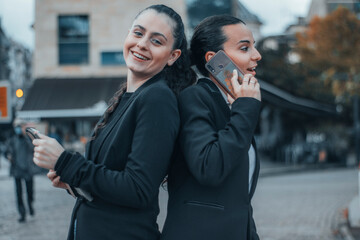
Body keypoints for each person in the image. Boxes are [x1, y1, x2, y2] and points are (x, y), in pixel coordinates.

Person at [32, 4, 194, 240]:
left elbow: (137, 189)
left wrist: (66, 162)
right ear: (128, 35)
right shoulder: (125, 98)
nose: (142, 44)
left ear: (173, 56)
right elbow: (110, 182)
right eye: (138, 33)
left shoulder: (157, 98)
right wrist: (73, 182)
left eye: (156, 41)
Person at [161, 15, 262, 240]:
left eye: (254, 47)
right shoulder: (195, 98)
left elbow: (239, 198)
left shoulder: (233, 108)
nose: (257, 55)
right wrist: (246, 107)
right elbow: (210, 167)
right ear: (214, 59)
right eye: (245, 48)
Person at [6, 119, 40, 222]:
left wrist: (26, 135)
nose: (17, 128)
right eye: (16, 126)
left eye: (19, 126)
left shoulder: (29, 139)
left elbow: (34, 148)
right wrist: (8, 156)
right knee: (18, 193)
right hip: (17, 170)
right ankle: (22, 213)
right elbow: (6, 151)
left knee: (30, 191)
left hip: (28, 169)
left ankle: (30, 205)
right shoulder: (12, 140)